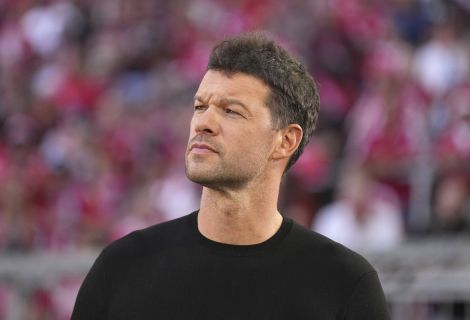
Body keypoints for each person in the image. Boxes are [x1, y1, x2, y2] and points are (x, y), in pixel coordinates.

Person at [71, 33, 390, 319]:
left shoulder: (344, 284)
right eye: (199, 107)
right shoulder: (122, 267)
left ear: (286, 140)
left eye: (231, 111)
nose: (202, 124)